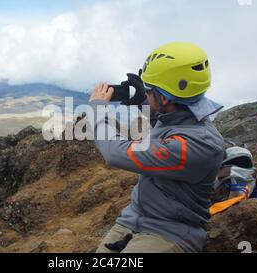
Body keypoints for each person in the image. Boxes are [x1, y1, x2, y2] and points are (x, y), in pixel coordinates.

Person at [88, 42, 225, 253]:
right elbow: (165, 120)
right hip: (132, 220)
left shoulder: (198, 145)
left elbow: (115, 153)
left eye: (149, 90)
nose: (146, 92)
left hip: (170, 234)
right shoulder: (179, 118)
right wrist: (141, 101)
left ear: (165, 98)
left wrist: (98, 112)